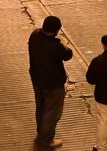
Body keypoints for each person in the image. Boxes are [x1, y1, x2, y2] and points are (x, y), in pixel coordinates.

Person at [28, 15, 73, 149]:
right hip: (53, 83)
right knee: (52, 111)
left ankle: (41, 132)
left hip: (37, 78)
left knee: (40, 107)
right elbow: (68, 54)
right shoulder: (56, 45)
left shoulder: (35, 35)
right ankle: (46, 140)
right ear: (56, 30)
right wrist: (62, 42)